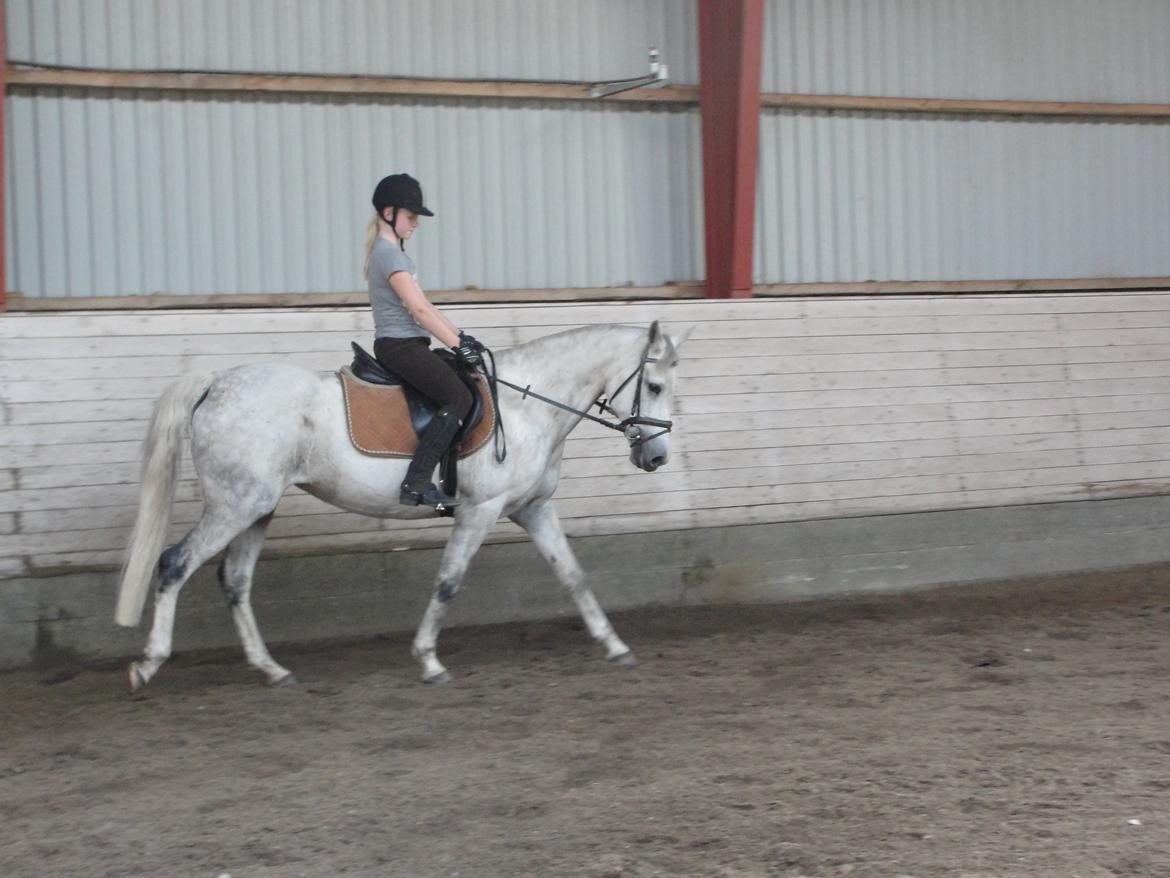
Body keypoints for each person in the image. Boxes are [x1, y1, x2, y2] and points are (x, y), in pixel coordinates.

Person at [363, 173, 485, 510]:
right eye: (411, 216)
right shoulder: (389, 256)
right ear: (389, 213)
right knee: (458, 396)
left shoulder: (393, 254)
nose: (415, 223)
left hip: (409, 344)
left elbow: (427, 306)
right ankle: (417, 480)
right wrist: (457, 346)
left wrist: (461, 338)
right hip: (398, 346)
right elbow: (418, 310)